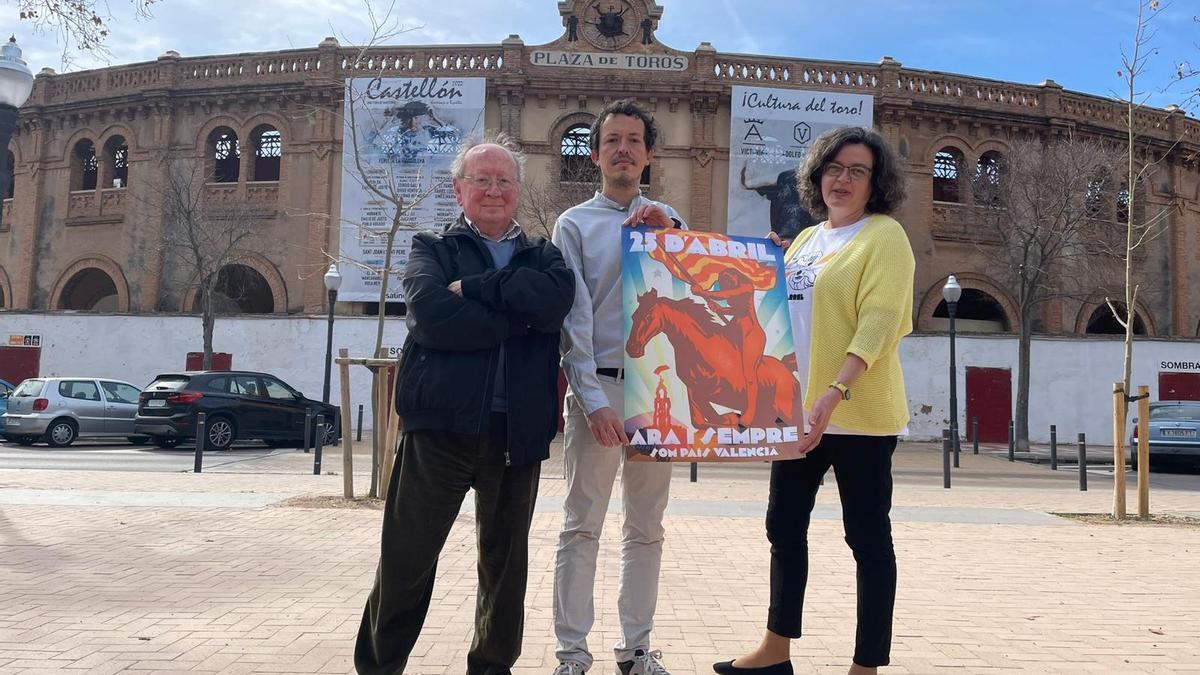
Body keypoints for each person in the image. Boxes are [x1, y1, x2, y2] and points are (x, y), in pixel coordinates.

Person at [355, 136, 575, 675]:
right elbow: (430, 316)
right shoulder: (430, 247)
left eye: (504, 180)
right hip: (439, 432)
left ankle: (491, 668)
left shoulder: (543, 255)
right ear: (459, 189)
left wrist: (476, 289)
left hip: (515, 434)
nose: (494, 190)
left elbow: (555, 303)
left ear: (519, 190)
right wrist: (517, 320)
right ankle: (379, 668)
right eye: (482, 180)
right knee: (406, 560)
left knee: (505, 573)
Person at [713, 126, 914, 675]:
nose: (842, 179)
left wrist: (835, 391)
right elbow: (782, 317)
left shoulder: (884, 237)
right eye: (833, 168)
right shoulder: (805, 240)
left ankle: (866, 665)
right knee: (783, 528)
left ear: (876, 184)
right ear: (817, 175)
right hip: (795, 414)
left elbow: (880, 323)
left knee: (867, 539)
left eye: (857, 171)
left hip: (859, 416)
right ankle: (776, 649)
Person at [551, 99, 685, 675]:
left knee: (646, 529)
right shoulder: (573, 225)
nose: (623, 149)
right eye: (612, 141)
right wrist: (592, 399)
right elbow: (572, 322)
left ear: (649, 155)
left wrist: (672, 240)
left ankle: (636, 650)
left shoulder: (672, 222)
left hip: (658, 397)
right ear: (596, 153)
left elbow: (689, 307)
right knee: (581, 526)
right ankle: (572, 654)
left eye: (634, 140)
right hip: (598, 395)